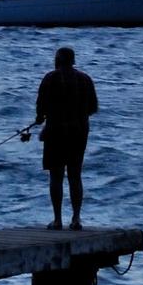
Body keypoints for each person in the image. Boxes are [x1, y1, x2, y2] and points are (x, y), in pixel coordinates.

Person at [34, 46, 98, 230]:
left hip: (55, 132)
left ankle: (57, 220)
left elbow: (41, 108)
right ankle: (76, 219)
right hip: (79, 132)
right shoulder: (85, 79)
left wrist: (41, 119)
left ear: (59, 60)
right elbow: (92, 108)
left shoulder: (50, 78)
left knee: (56, 176)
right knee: (75, 175)